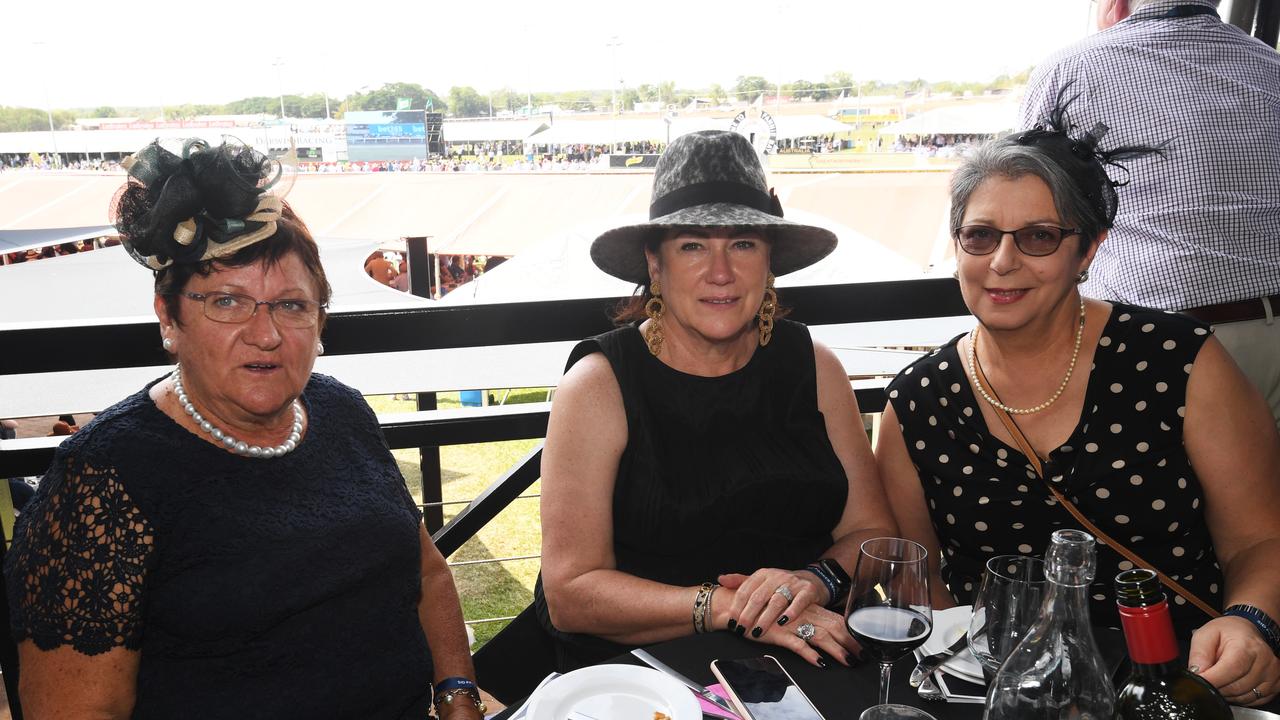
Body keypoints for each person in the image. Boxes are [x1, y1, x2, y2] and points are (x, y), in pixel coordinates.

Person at [4, 139, 485, 719]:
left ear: (320, 319)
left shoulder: (342, 412)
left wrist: (458, 695)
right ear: (169, 315)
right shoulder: (102, 481)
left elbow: (427, 572)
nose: (266, 334)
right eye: (228, 302)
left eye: (291, 305)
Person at [876, 101, 1280, 707]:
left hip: (1176, 682)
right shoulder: (917, 402)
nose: (1002, 262)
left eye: (1039, 236)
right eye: (980, 235)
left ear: (1087, 251)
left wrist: (1251, 622)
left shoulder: (1180, 362)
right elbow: (924, 580)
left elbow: (1259, 540)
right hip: (997, 691)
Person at [537, 130, 897, 671]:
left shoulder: (816, 366)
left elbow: (872, 532)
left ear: (769, 262)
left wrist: (810, 582)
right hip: (645, 675)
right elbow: (571, 595)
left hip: (802, 658)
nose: (721, 272)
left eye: (743, 244)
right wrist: (732, 607)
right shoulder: (598, 385)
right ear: (655, 266)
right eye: (693, 245)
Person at [1019, 0, 1280, 430]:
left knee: (1160, 495)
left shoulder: (1070, 68)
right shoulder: (1270, 65)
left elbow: (1027, 207)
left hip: (1161, 340)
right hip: (1270, 327)